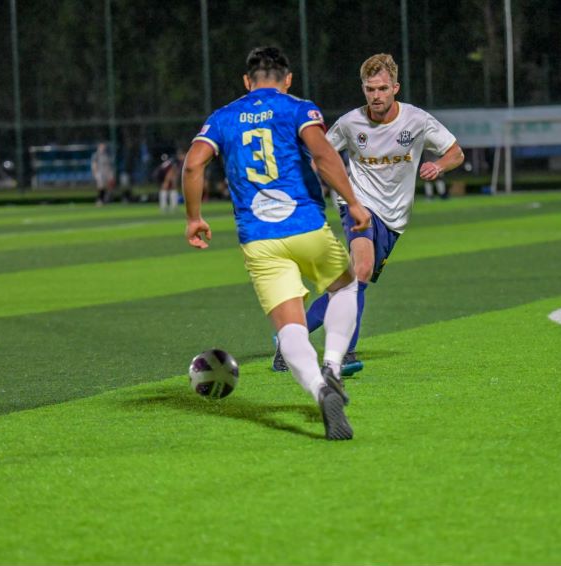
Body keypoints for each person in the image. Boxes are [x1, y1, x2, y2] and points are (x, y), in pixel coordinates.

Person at [182, 46, 371, 441]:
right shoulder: (298, 108)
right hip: (306, 225)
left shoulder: (222, 117)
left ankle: (319, 389)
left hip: (258, 239)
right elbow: (323, 155)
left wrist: (194, 218)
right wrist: (352, 202)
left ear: (246, 81)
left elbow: (194, 164)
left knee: (291, 328)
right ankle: (333, 366)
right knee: (345, 286)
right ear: (287, 79)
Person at [272, 53, 464, 376]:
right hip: (357, 203)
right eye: (370, 89)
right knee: (361, 269)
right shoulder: (350, 123)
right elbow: (319, 154)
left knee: (352, 284)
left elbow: (455, 152)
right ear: (363, 89)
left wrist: (439, 165)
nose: (376, 96)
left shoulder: (417, 120)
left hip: (394, 218)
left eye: (383, 89)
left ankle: (290, 337)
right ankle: (344, 353)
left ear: (395, 88)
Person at [159, 148, 184, 212]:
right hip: (163, 174)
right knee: (167, 188)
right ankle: (164, 206)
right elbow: (170, 172)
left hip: (164, 174)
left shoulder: (176, 161)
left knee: (171, 188)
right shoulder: (175, 161)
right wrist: (167, 181)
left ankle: (171, 206)